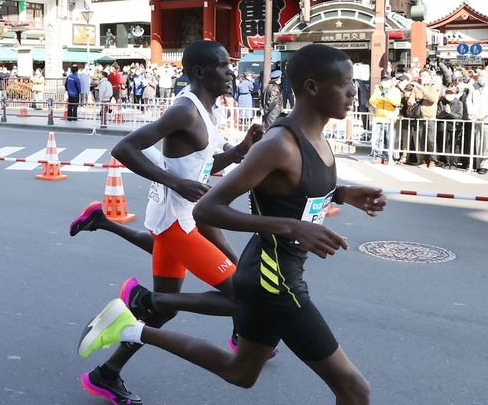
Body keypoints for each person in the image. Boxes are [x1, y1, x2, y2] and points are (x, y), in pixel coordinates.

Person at [78, 44, 385, 405]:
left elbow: (293, 191)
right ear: (313, 87)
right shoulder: (278, 143)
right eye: (346, 83)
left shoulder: (314, 137)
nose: (355, 92)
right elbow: (209, 207)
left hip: (273, 270)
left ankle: (130, 329)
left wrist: (342, 193)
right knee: (354, 388)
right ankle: (144, 303)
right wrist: (291, 228)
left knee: (240, 373)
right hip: (272, 280)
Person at [69, 40, 266, 404]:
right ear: (199, 72)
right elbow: (124, 148)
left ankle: (106, 374)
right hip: (177, 222)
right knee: (243, 298)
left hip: (181, 217)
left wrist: (239, 151)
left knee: (165, 310)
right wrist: (173, 182)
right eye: (223, 66)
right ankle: (143, 297)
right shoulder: (185, 111)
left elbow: (203, 166)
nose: (230, 72)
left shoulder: (210, 112)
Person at [465, 72, 488, 173]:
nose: (482, 78)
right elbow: (469, 100)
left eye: (484, 76)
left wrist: (484, 114)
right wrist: (471, 112)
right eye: (480, 76)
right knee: (478, 140)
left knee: (487, 142)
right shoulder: (473, 86)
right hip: (476, 117)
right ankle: (478, 163)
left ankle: (486, 165)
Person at [368, 74, 401, 164]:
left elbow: (397, 102)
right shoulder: (378, 90)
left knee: (388, 139)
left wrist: (386, 97)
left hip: (389, 119)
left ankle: (388, 156)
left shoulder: (395, 90)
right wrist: (380, 96)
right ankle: (378, 156)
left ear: (391, 82)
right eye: (383, 80)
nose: (385, 82)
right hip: (379, 118)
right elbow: (372, 100)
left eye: (387, 80)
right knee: (378, 138)